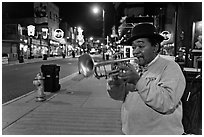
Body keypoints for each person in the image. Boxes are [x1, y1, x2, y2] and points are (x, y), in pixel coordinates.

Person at [107, 23, 186, 135]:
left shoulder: (170, 67)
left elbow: (167, 103)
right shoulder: (134, 67)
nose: (135, 51)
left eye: (141, 46)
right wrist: (115, 83)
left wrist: (138, 81)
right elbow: (118, 96)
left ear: (155, 47)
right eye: (134, 47)